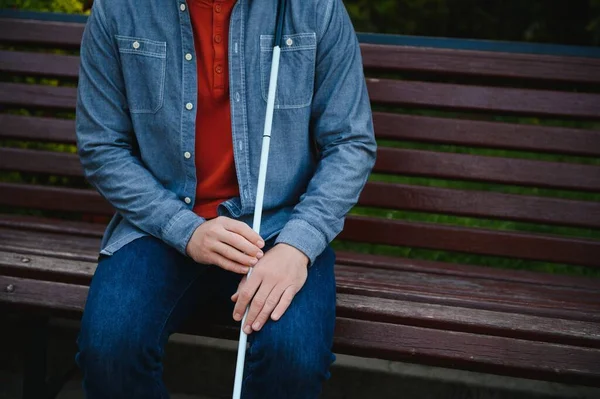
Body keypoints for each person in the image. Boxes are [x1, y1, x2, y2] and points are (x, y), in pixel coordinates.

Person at [74, 0, 376, 397]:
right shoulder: (118, 9)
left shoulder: (315, 7)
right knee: (110, 351)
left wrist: (298, 245)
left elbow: (350, 142)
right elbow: (101, 146)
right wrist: (187, 231)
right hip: (163, 225)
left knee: (293, 360)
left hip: (279, 230)